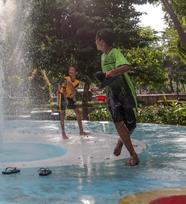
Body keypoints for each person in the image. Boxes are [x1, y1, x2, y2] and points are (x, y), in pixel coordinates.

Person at [91, 29, 139, 166]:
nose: (95, 42)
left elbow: (126, 67)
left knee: (131, 125)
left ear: (101, 41)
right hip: (112, 93)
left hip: (124, 91)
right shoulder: (103, 57)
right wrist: (99, 88)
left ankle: (120, 141)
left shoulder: (115, 53)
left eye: (96, 39)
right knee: (118, 123)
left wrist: (113, 71)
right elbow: (108, 78)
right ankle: (134, 156)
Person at [58, 66, 90, 139]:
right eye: (70, 70)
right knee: (63, 113)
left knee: (78, 112)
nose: (70, 71)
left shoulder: (77, 82)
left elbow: (74, 92)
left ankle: (81, 131)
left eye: (72, 70)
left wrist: (70, 84)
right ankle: (63, 133)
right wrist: (65, 99)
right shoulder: (66, 79)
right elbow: (63, 90)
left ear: (76, 73)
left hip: (70, 97)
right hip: (63, 96)